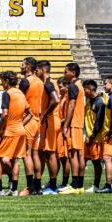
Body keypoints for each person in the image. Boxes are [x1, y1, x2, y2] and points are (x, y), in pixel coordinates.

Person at [0, 71, 29, 197]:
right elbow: (30, 113)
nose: (1, 83)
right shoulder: (21, 93)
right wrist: (20, 124)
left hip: (10, 131)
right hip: (20, 131)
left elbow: (4, 114)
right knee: (15, 160)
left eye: (2, 81)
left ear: (7, 81)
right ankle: (14, 190)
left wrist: (1, 128)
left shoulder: (7, 93)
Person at [18, 57, 44, 196]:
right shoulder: (40, 81)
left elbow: (19, 100)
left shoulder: (25, 81)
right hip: (37, 120)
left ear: (28, 66)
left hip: (27, 119)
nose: (20, 67)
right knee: (34, 153)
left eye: (22, 65)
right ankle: (38, 186)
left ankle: (30, 187)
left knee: (26, 154)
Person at [59, 63, 86, 195]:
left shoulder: (74, 87)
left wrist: (65, 125)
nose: (64, 74)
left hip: (73, 123)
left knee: (72, 154)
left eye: (66, 72)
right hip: (78, 123)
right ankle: (79, 185)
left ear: (73, 73)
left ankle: (75, 185)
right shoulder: (80, 86)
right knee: (79, 154)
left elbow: (71, 106)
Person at [35, 60, 61, 195]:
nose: (36, 73)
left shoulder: (49, 84)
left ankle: (53, 186)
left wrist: (46, 114)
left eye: (37, 70)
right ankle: (39, 184)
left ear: (43, 70)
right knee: (44, 153)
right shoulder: (50, 83)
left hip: (50, 121)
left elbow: (55, 100)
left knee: (50, 154)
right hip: (50, 121)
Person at [83, 79, 106, 193]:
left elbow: (99, 122)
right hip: (88, 137)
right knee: (82, 159)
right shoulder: (88, 100)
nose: (84, 91)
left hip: (95, 138)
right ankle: (78, 184)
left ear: (91, 89)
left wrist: (92, 136)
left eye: (85, 89)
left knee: (96, 162)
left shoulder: (100, 102)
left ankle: (96, 185)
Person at [55, 77, 71, 191]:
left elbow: (66, 117)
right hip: (58, 130)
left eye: (60, 87)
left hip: (63, 130)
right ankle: (54, 181)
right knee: (58, 157)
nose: (59, 89)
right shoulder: (61, 98)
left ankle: (65, 183)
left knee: (65, 158)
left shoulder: (67, 99)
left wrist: (56, 122)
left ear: (66, 86)